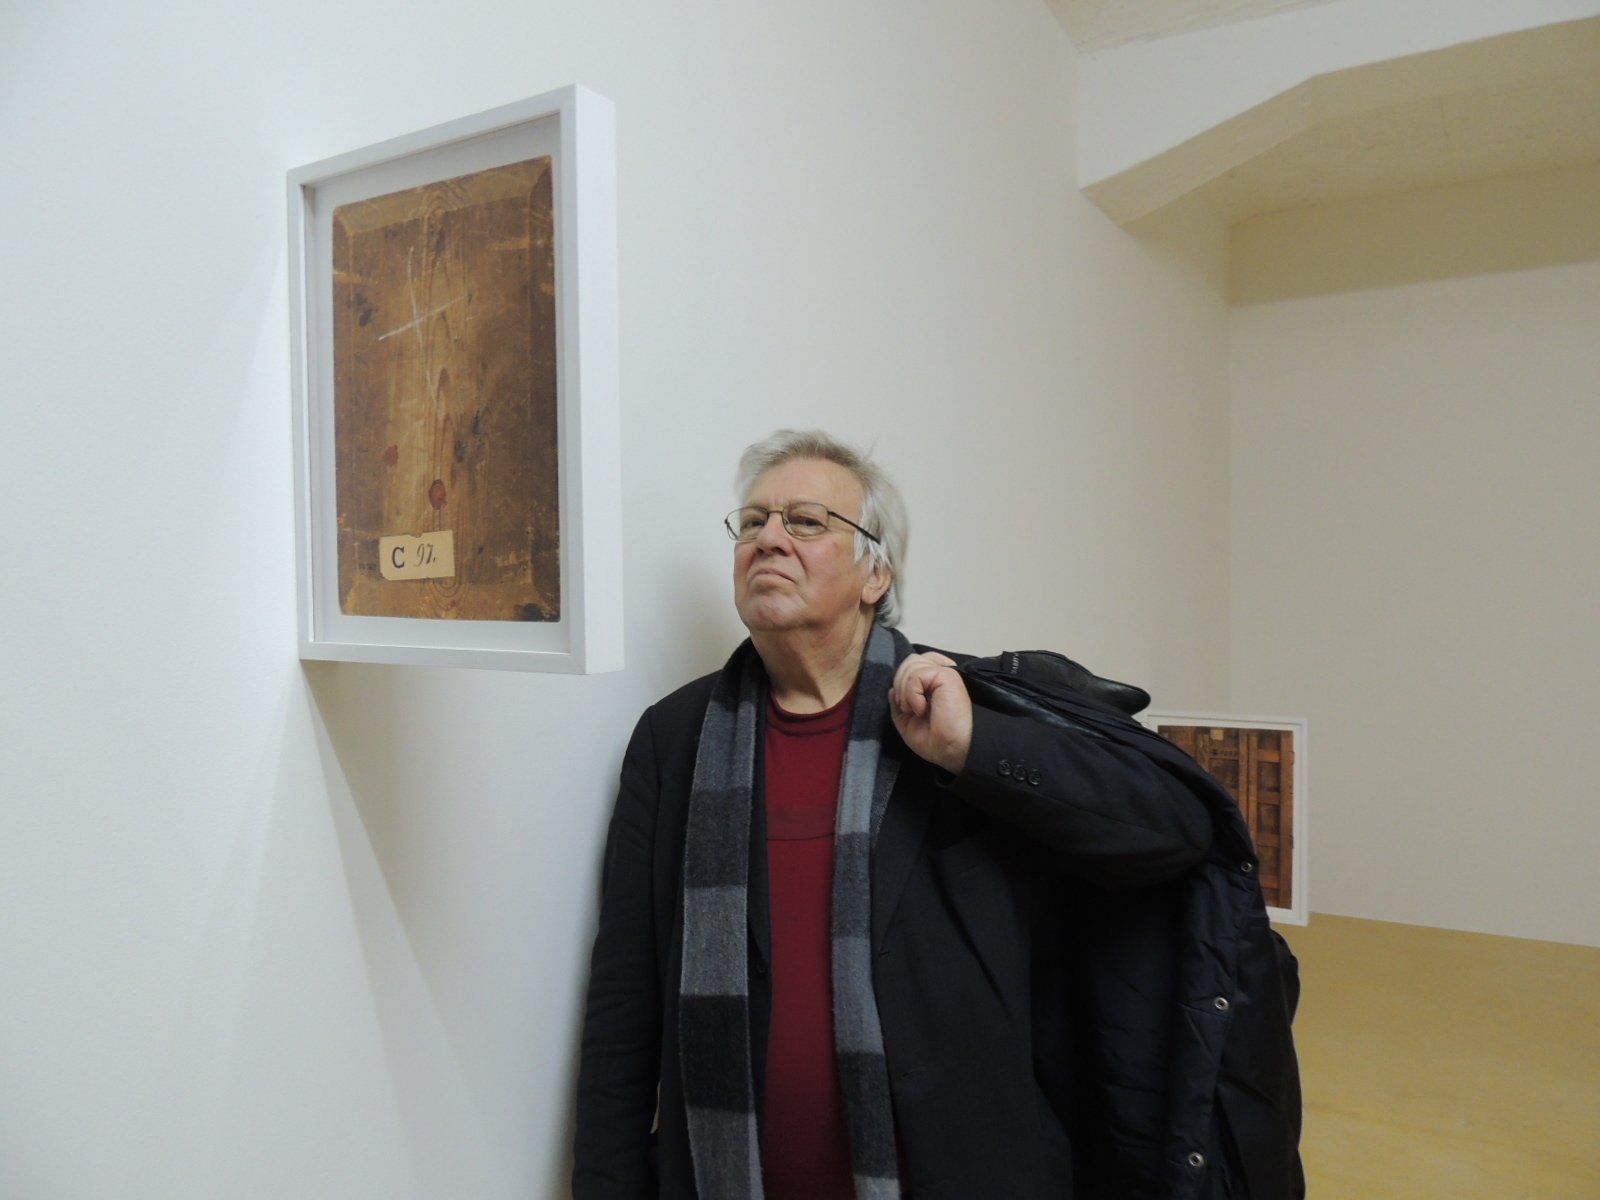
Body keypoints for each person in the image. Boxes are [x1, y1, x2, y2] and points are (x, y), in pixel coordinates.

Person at [572, 429, 1303, 1200]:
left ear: (875, 574)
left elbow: (1176, 832)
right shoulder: (674, 739)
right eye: (752, 522)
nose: (769, 540)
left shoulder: (960, 708)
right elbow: (625, 997)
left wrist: (972, 749)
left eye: (806, 521)